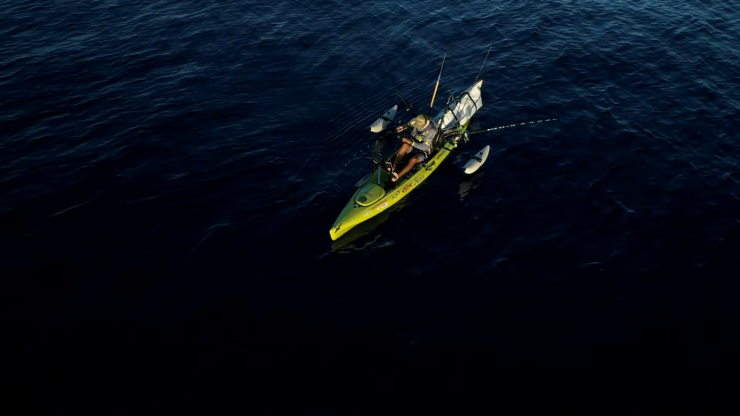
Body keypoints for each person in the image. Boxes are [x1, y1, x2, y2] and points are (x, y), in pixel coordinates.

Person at [387, 114, 437, 182]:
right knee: (404, 145)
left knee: (413, 159)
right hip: (413, 144)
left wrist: (411, 142)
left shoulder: (431, 130)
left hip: (424, 151)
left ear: (427, 122)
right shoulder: (414, 120)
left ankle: (398, 176)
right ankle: (394, 166)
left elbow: (425, 147)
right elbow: (409, 125)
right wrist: (403, 127)